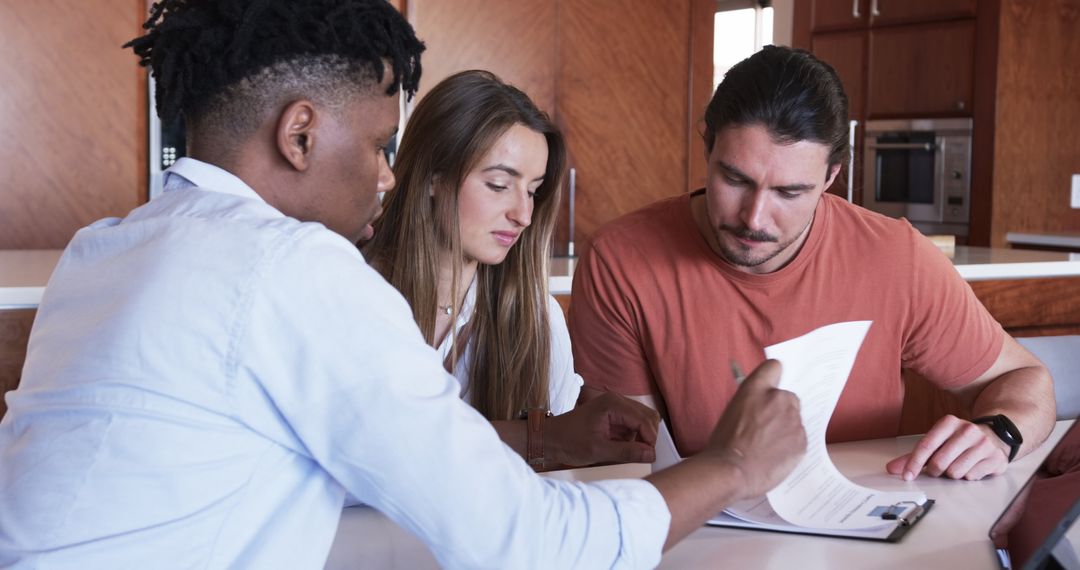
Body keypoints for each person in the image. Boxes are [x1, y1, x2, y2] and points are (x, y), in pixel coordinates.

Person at [0, 2, 806, 567]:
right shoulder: (294, 268)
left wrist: (549, 440)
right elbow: (536, 546)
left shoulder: (102, 250)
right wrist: (732, 465)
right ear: (301, 133)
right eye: (382, 144)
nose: (388, 176)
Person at [570, 45, 1057, 483]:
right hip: (699, 532)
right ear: (707, 147)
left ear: (830, 177)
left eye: (789, 191)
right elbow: (626, 466)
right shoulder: (621, 259)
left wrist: (1000, 434)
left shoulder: (896, 258)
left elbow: (1024, 379)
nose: (754, 217)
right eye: (735, 179)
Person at [363, 69, 652, 469]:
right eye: (499, 185)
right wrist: (537, 441)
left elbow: (558, 471)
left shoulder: (537, 318)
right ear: (433, 178)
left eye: (533, 191)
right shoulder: (352, 292)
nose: (524, 215)